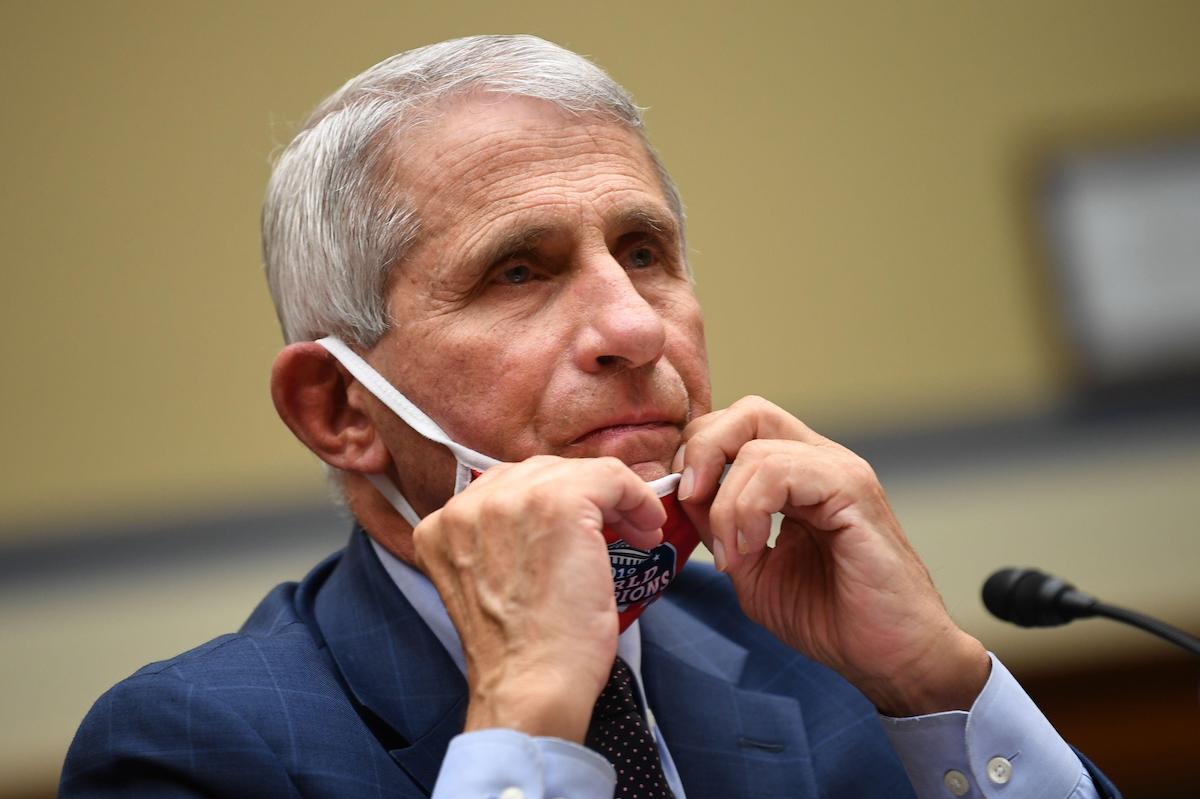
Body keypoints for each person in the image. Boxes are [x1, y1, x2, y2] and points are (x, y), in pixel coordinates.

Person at [61, 35, 1119, 798]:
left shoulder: (814, 661)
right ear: (341, 409)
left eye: (644, 253)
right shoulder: (192, 746)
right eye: (518, 271)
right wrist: (524, 716)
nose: (635, 327)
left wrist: (932, 683)